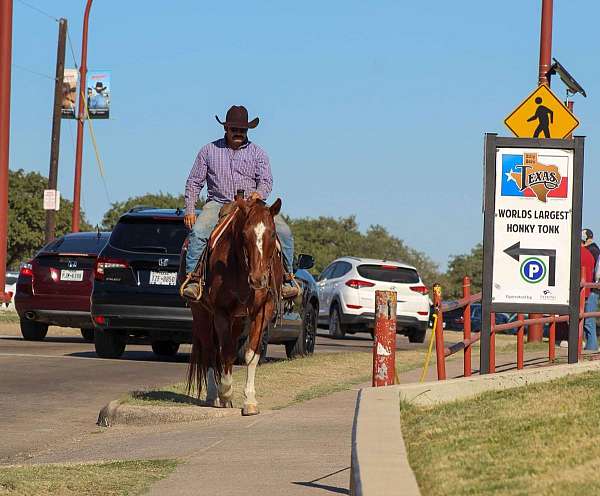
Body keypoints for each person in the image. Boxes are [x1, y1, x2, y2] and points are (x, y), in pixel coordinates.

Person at [181, 105, 296, 300]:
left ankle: (286, 278)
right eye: (234, 129)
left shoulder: (258, 153)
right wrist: (190, 210)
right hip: (219, 202)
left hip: (252, 205)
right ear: (226, 129)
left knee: (284, 232)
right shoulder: (208, 151)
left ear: (247, 131)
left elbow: (266, 180)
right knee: (199, 231)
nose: (238, 133)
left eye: (242, 130)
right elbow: (194, 182)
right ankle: (193, 278)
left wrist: (259, 194)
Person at [583, 229, 600, 351]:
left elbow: (595, 271)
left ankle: (592, 347)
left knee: (589, 318)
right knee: (588, 318)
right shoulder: (594, 250)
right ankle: (591, 345)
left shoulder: (593, 251)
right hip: (592, 288)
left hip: (592, 289)